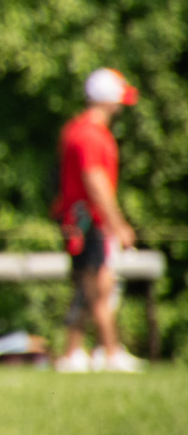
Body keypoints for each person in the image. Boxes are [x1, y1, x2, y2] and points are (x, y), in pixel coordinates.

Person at [52, 68, 146, 373]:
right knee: (99, 289)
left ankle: (72, 353)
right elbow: (94, 180)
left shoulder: (76, 130)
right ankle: (110, 351)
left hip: (81, 220)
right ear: (108, 100)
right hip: (88, 221)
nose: (121, 106)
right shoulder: (90, 135)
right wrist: (117, 223)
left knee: (86, 288)